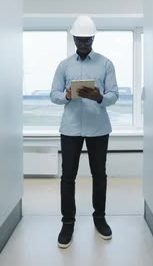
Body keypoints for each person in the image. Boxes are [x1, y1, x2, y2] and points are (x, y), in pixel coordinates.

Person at [50, 15, 119, 249]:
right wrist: (67, 95)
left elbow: (114, 95)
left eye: (87, 40)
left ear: (93, 39)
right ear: (74, 38)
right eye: (79, 40)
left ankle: (99, 219)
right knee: (68, 177)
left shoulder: (105, 64)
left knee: (99, 175)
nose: (83, 44)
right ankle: (67, 222)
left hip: (98, 129)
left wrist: (100, 97)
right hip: (70, 129)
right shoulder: (64, 65)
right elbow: (54, 95)